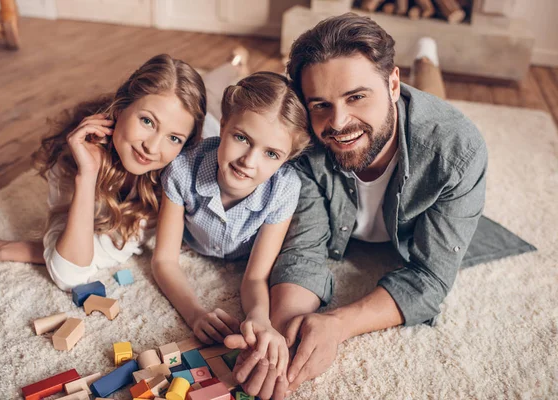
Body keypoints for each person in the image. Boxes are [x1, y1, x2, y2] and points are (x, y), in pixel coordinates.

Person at [225, 14, 530, 399]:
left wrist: (338, 323)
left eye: (356, 96)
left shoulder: (458, 150)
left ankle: (427, 58)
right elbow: (303, 249)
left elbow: (430, 279)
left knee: (437, 92)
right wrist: (284, 333)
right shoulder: (304, 141)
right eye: (321, 103)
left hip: (429, 128)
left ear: (392, 83)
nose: (338, 123)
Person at [0, 54, 206, 291]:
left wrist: (2, 249)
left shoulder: (175, 176)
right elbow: (72, 272)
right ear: (120, 108)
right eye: (147, 121)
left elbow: (74, 264)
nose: (151, 147)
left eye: (174, 138)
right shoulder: (75, 156)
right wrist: (86, 176)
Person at [152, 71, 311, 379]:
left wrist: (259, 316)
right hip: (196, 222)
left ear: (286, 158)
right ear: (224, 125)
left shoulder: (284, 188)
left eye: (271, 154)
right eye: (242, 138)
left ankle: (236, 66)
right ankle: (230, 68)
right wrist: (195, 314)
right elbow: (164, 260)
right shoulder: (182, 170)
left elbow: (254, 277)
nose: (249, 161)